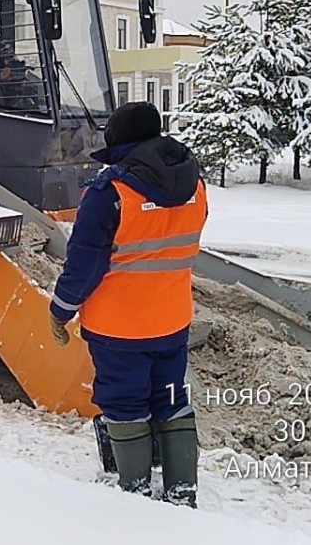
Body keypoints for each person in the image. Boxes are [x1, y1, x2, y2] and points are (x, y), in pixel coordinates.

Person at [46, 101, 207, 508]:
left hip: (119, 328)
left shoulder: (109, 193)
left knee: (124, 402)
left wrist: (60, 310)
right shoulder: (194, 185)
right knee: (171, 399)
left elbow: (84, 264)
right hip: (172, 321)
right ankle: (182, 490)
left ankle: (134, 496)